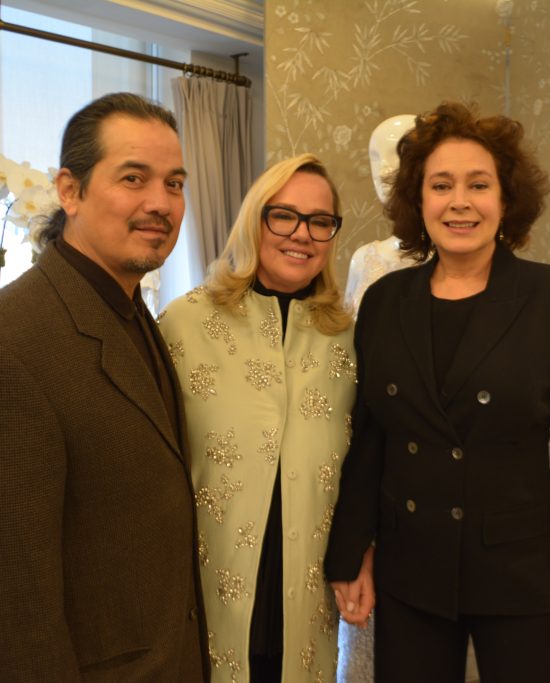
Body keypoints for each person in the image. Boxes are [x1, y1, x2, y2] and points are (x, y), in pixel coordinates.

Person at [324, 101, 550, 682]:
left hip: (527, 571)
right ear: (419, 202)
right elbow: (371, 439)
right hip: (412, 569)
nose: (459, 201)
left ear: (505, 200)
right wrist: (350, 551)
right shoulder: (386, 303)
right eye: (441, 185)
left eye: (478, 184)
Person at [0, 92, 209, 682]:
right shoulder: (5, 348)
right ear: (70, 191)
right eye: (133, 178)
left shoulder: (132, 313)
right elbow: (5, 620)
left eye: (175, 183)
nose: (161, 203)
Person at [159, 153, 361, 683]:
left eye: (321, 221)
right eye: (285, 215)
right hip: (208, 583)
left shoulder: (349, 334)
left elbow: (370, 458)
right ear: (256, 217)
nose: (303, 234)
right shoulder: (185, 322)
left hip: (307, 587)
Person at [343, 114, 417, 314]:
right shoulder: (363, 259)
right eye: (375, 157)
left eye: (398, 154)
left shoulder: (455, 260)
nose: (384, 170)